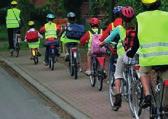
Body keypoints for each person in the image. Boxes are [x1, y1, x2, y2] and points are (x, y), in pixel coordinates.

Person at [127, 0, 168, 108]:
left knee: (143, 72)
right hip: (166, 58)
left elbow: (136, 41)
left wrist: (131, 53)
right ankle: (165, 107)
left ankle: (148, 95)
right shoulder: (166, 15)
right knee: (166, 80)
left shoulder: (140, 18)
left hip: (148, 59)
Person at [100, 6, 136, 111]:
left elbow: (108, 39)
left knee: (118, 75)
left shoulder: (119, 28)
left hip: (123, 55)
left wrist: (102, 44)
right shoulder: (136, 28)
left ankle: (118, 97)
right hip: (135, 54)